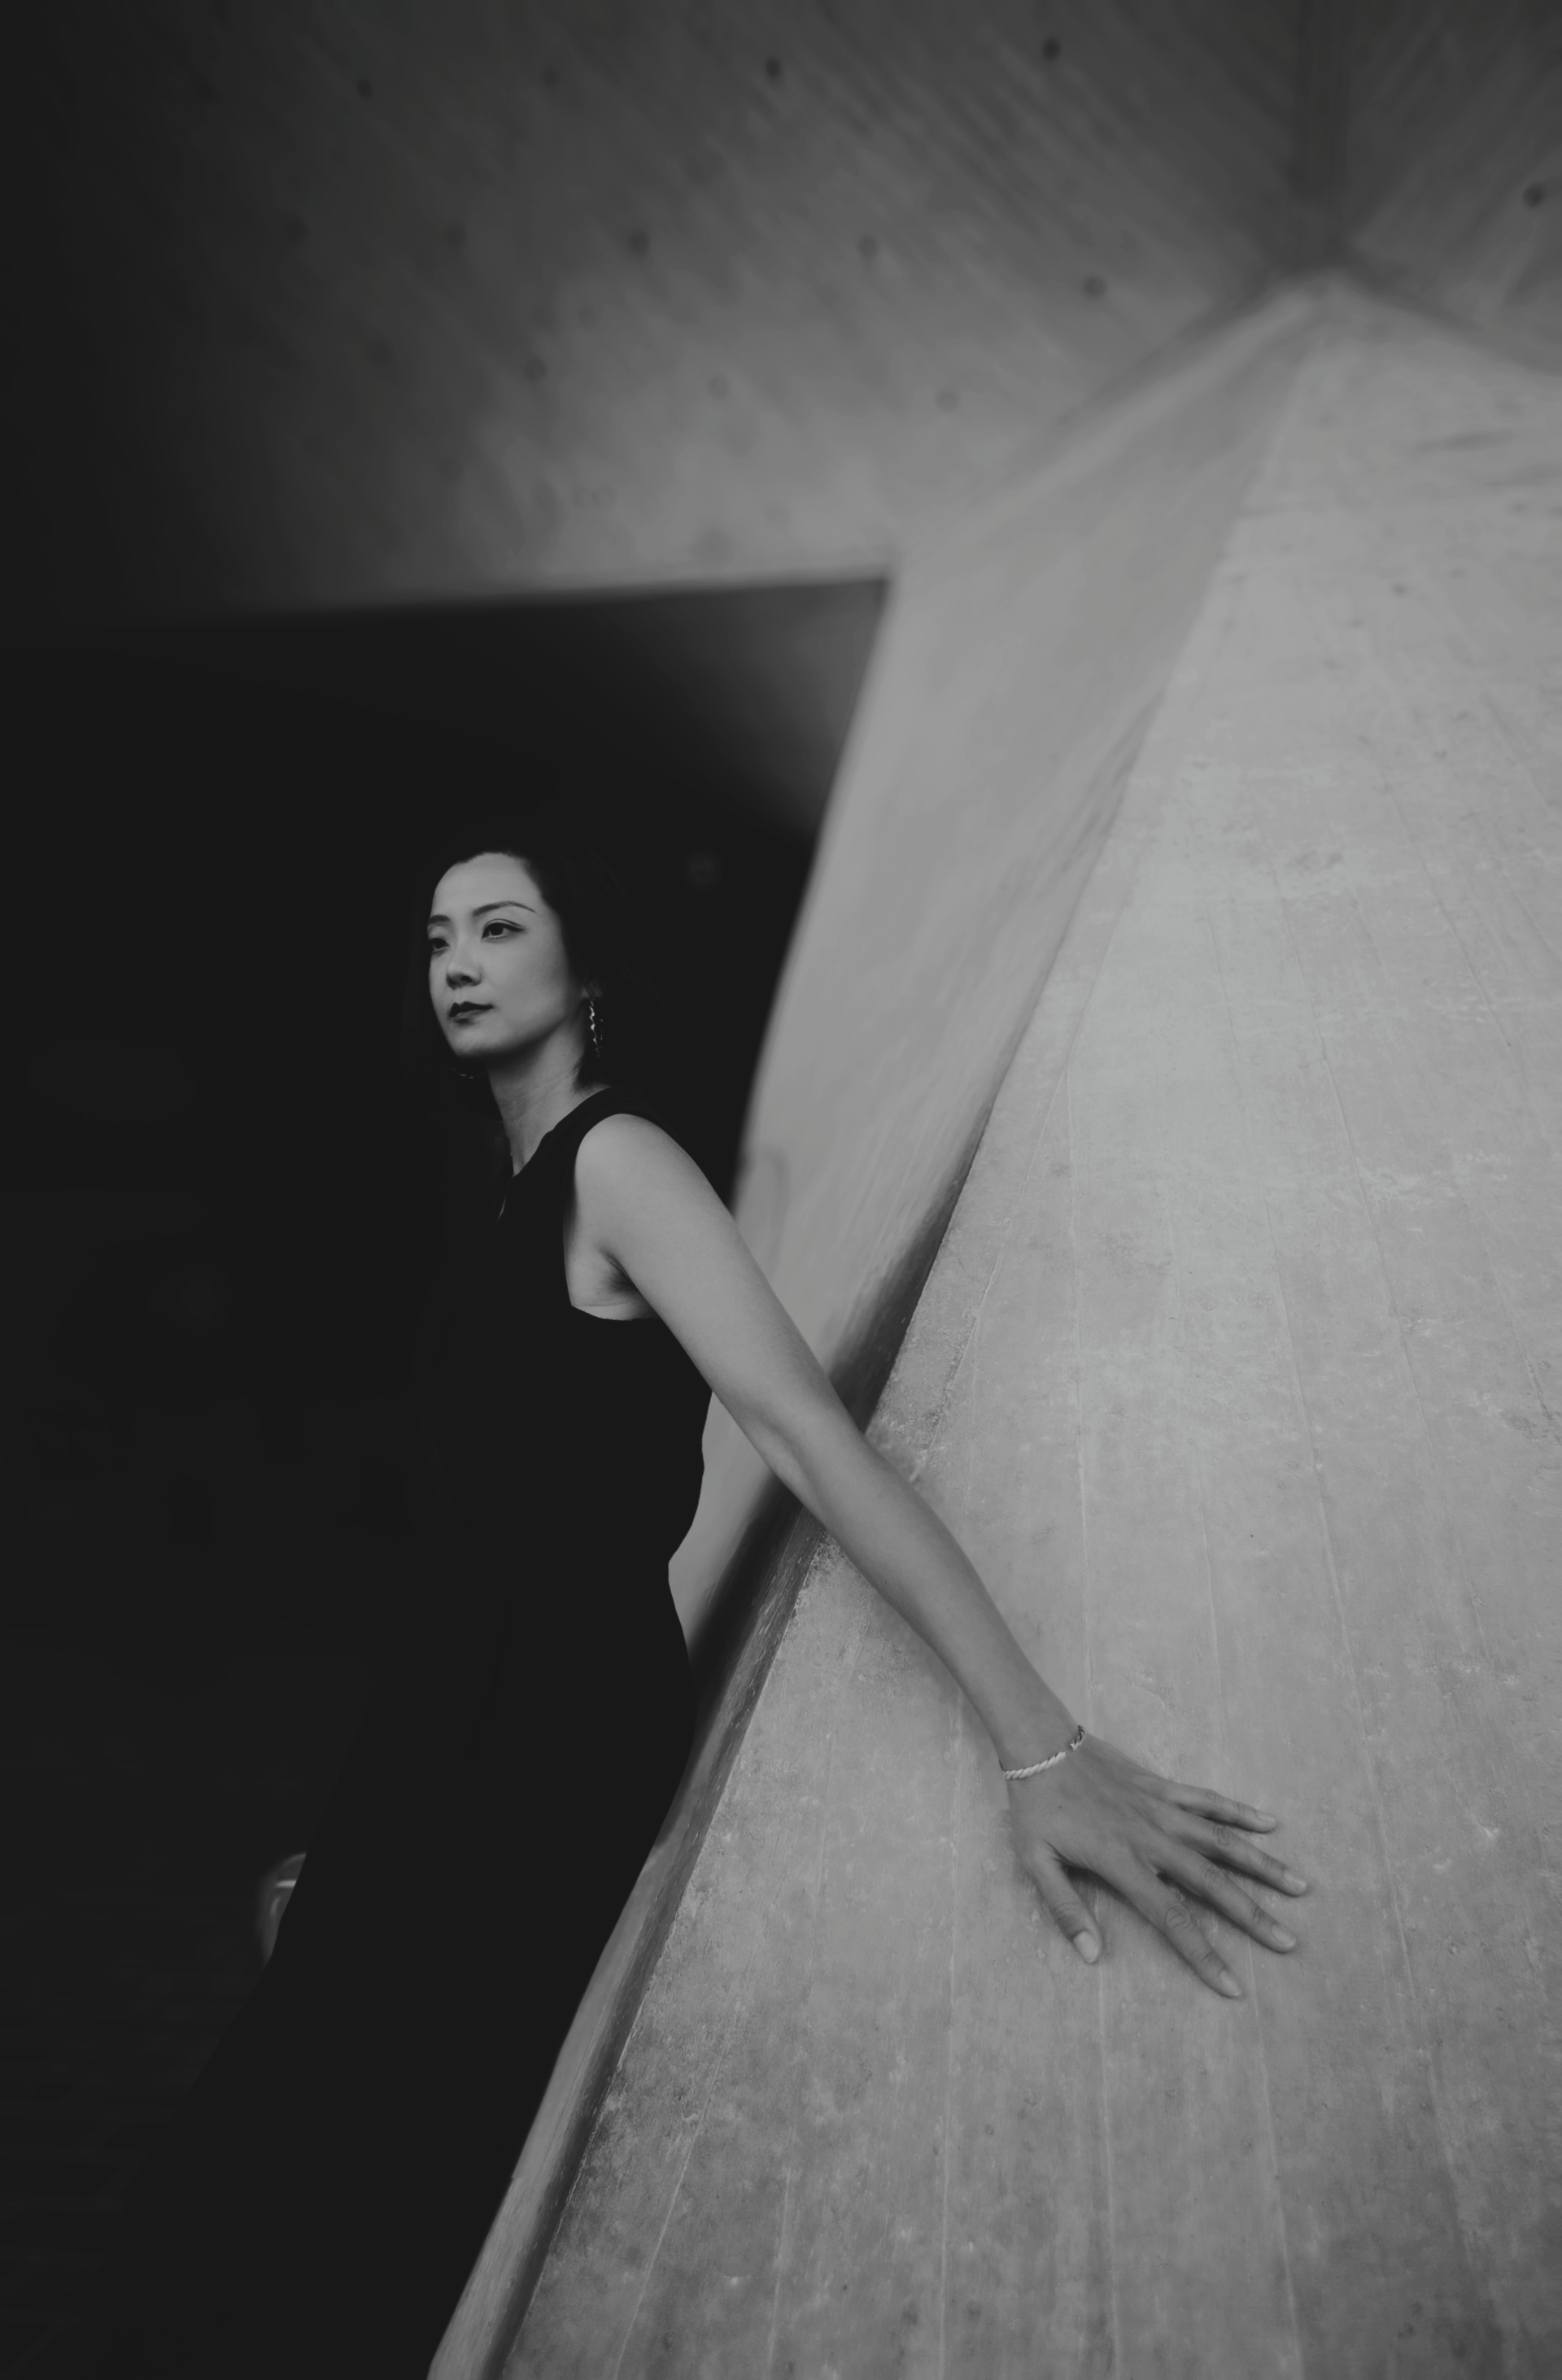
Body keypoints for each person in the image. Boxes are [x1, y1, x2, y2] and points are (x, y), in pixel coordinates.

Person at [76, 813, 1306, 2378]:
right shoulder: (512, 1181)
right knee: (313, 2125)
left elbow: (808, 1436)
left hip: (552, 1720)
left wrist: (1040, 1745)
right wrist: (376, 1831)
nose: (457, 962)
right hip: (457, 1717)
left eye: (500, 928)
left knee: (377, 2146)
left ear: (585, 969)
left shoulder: (618, 1160)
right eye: (439, 937)